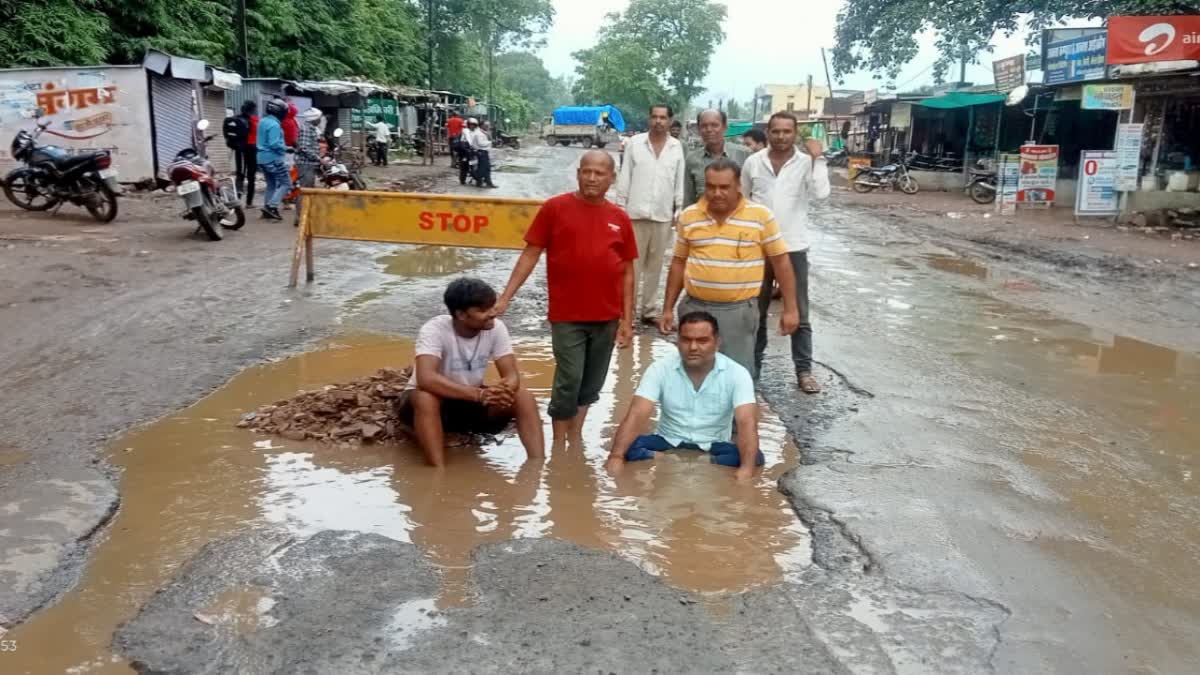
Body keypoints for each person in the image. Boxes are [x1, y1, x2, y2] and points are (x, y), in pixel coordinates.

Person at [496, 150, 637, 442]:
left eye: (600, 173)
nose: (592, 178)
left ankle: (574, 440)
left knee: (592, 384)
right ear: (578, 174)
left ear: (612, 179)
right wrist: (505, 297)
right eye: (587, 171)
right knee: (568, 380)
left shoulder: (619, 218)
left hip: (607, 316)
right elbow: (530, 254)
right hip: (567, 315)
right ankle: (560, 443)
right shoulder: (555, 208)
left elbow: (627, 272)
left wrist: (627, 320)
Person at [659, 158, 800, 374]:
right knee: (693, 373)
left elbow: (781, 262)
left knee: (737, 376)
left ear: (738, 187)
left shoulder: (761, 217)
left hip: (739, 312)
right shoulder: (689, 217)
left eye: (724, 187)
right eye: (711, 186)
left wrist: (791, 309)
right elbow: (678, 263)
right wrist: (667, 308)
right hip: (695, 308)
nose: (717, 193)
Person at [398, 278, 545, 467]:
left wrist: (503, 389)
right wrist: (480, 394)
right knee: (425, 397)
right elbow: (426, 378)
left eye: (492, 307)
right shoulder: (434, 329)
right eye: (483, 310)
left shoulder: (497, 328)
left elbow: (512, 375)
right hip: (432, 406)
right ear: (461, 314)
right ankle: (436, 471)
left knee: (523, 397)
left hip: (470, 404)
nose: (492, 313)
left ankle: (538, 466)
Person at [606, 311, 762, 481]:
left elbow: (747, 422)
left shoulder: (737, 373)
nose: (693, 347)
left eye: (702, 341)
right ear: (677, 341)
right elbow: (637, 414)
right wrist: (616, 457)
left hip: (713, 444)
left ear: (717, 343)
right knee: (627, 447)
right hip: (667, 441)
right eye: (687, 340)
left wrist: (746, 471)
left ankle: (701, 460)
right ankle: (673, 459)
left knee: (755, 458)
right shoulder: (660, 368)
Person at [741, 111, 831, 393]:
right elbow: (744, 201)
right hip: (759, 248)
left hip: (793, 246)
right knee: (757, 310)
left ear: (795, 134)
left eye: (787, 131)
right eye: (776, 131)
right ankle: (752, 369)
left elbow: (821, 193)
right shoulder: (753, 162)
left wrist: (818, 158)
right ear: (767, 132)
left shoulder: (806, 163)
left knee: (799, 312)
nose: (781, 136)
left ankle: (804, 371)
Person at [614, 104, 685, 325]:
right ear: (649, 119)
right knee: (631, 266)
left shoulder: (676, 147)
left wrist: (679, 207)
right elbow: (624, 177)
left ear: (670, 121)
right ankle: (627, 312)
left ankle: (649, 311)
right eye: (654, 116)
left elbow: (678, 180)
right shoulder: (635, 144)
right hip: (634, 214)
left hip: (662, 215)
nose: (658, 121)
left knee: (655, 267)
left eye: (663, 118)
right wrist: (620, 208)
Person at [685, 109, 750, 207]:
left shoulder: (744, 154)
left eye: (714, 125)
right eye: (704, 126)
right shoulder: (691, 159)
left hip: (739, 218)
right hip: (703, 219)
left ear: (725, 127)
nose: (709, 130)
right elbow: (688, 198)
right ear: (698, 129)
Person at [256, 98, 290, 221]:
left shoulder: (262, 121)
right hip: (273, 158)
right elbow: (274, 143)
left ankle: (266, 210)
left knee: (271, 185)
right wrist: (287, 148)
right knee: (286, 184)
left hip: (262, 158)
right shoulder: (274, 125)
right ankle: (272, 207)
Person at [293, 108, 323, 225]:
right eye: (319, 118)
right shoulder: (306, 129)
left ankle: (304, 216)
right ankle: (300, 218)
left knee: (308, 190)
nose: (320, 120)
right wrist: (319, 158)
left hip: (309, 164)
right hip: (306, 164)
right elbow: (304, 148)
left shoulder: (311, 129)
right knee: (305, 191)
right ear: (314, 119)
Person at [232, 101, 259, 206]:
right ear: (252, 109)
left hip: (239, 150)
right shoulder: (254, 120)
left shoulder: (236, 119)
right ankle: (249, 202)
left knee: (240, 175)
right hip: (251, 149)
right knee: (251, 176)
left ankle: (237, 200)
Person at [465, 118, 497, 188]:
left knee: (487, 168)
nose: (488, 127)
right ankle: (477, 178)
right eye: (486, 125)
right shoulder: (479, 133)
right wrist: (490, 142)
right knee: (483, 168)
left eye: (488, 125)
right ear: (482, 125)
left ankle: (487, 182)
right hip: (481, 152)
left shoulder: (483, 132)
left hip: (483, 152)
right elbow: (481, 143)